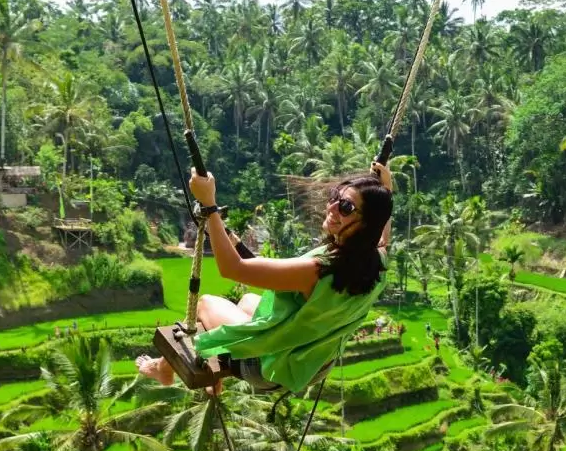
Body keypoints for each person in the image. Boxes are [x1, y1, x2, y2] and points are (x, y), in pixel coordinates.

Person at [137, 163, 394, 395]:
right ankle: (212, 368)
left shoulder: (317, 271)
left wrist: (209, 206)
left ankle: (164, 370)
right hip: (310, 364)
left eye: (346, 207)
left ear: (365, 225)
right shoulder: (375, 260)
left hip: (268, 369)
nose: (332, 208)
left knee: (205, 304)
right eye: (335, 197)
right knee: (248, 300)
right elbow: (383, 236)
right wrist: (386, 189)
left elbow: (233, 268)